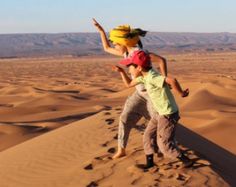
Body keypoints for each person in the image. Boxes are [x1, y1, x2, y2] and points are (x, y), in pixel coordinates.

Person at [93, 18, 168, 159]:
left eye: (116, 42)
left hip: (152, 94)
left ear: (124, 43)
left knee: (157, 124)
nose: (114, 45)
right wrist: (101, 31)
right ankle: (121, 149)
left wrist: (164, 79)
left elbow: (161, 60)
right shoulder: (127, 53)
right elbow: (106, 48)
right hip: (139, 93)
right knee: (125, 118)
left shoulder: (139, 53)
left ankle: (162, 149)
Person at [113, 50, 193, 168]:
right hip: (158, 113)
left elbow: (172, 80)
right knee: (147, 136)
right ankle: (150, 163)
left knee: (164, 145)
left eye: (130, 67)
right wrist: (121, 72)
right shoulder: (143, 77)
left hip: (168, 114)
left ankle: (185, 159)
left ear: (139, 68)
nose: (129, 69)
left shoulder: (152, 77)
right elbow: (129, 84)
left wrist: (181, 93)